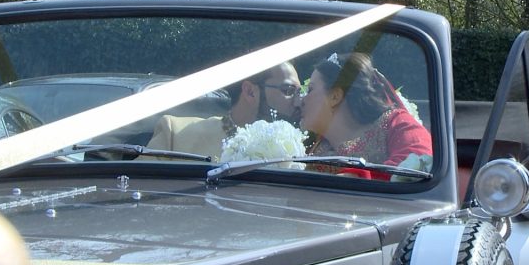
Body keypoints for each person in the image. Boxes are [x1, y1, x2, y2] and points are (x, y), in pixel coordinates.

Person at [297, 52, 431, 178]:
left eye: (310, 90)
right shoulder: (316, 150)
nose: (301, 100)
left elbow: (418, 162)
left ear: (335, 96)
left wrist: (356, 178)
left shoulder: (395, 124)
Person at [145, 61, 302, 161]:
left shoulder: (299, 151)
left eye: (300, 92)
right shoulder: (176, 135)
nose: (298, 102)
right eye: (288, 90)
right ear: (250, 92)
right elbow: (139, 190)